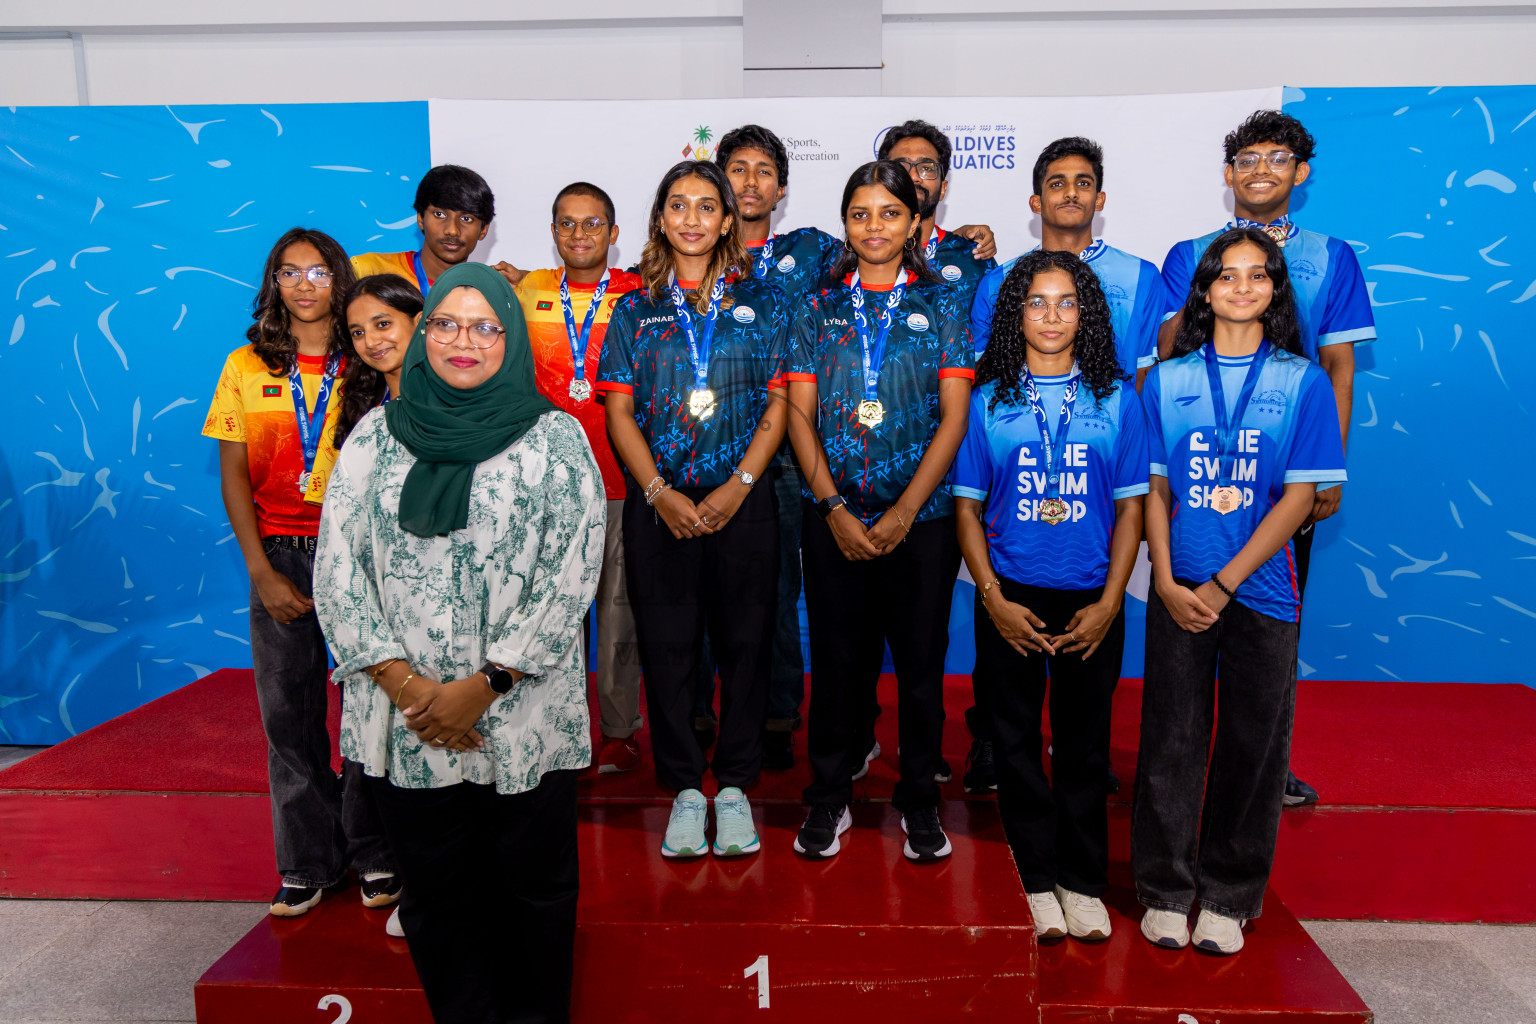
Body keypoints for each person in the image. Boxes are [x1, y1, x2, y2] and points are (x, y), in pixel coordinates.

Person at [314, 262, 603, 1023]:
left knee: (534, 891)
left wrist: (483, 686)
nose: (462, 341)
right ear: (423, 335)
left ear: (510, 339)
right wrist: (412, 689)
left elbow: (570, 575)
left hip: (522, 716)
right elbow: (339, 574)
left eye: (485, 326)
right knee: (438, 897)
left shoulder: (556, 439)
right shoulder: (375, 439)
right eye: (445, 323)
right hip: (405, 717)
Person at [1133, 228, 1345, 955]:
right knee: (1172, 738)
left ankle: (1229, 894)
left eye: (1260, 276)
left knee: (1253, 746)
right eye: (1228, 275)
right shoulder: (1165, 380)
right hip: (1179, 584)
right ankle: (1164, 886)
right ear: (1206, 289)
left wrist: (1225, 582)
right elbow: (1155, 490)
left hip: (1261, 593)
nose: (1243, 287)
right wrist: (1163, 576)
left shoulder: (1303, 381)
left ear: (1275, 291)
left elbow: (1299, 499)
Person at [1156, 110, 1374, 808]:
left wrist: (1326, 467)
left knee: (1273, 623)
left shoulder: (1332, 257)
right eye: (1247, 158)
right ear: (1228, 174)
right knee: (1187, 631)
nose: (1260, 169)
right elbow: (1164, 361)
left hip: (1285, 472)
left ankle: (1264, 770)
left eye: (1277, 158)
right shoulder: (1190, 255)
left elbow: (1338, 366)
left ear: (1300, 173)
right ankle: (1183, 771)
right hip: (1197, 468)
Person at [202, 228, 400, 916]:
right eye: (290, 273)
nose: (306, 285)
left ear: (339, 280)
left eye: (319, 272)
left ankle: (374, 851)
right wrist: (260, 571)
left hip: (360, 557)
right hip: (280, 554)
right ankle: (309, 862)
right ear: (273, 283)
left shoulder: (370, 361)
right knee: (289, 720)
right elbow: (232, 473)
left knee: (369, 715)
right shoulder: (244, 365)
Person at [952, 250, 1148, 939]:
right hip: (1011, 594)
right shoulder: (989, 400)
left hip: (1092, 596)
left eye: (1068, 302)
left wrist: (1111, 602)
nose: (1053, 315)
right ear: (1016, 314)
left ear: (1086, 315)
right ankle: (1035, 877)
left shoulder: (1119, 398)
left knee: (1085, 745)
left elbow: (1131, 512)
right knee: (1014, 742)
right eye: (1037, 301)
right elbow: (969, 510)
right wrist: (993, 597)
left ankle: (1081, 878)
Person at [596, 159, 789, 859]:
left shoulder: (765, 302)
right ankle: (682, 787)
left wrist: (738, 485)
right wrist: (659, 493)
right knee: (669, 650)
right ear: (659, 219)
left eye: (708, 206)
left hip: (747, 503)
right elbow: (619, 411)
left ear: (727, 219)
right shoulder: (635, 307)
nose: (693, 219)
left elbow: (779, 401)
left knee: (745, 647)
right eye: (678, 206)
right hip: (660, 508)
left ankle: (734, 786)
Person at [962, 136, 1166, 795]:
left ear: (1100, 200)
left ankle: (1085, 755)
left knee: (1087, 682)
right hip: (1017, 499)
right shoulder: (1004, 280)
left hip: (1099, 472)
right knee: (1005, 664)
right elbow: (990, 377)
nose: (1071, 192)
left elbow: (1144, 378)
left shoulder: (1139, 277)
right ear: (1035, 199)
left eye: (1084, 182)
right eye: (1057, 182)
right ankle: (993, 743)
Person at [784, 160, 973, 863]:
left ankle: (919, 799)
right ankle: (829, 794)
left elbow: (953, 420)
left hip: (921, 523)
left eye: (889, 213)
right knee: (836, 665)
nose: (874, 227)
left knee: (922, 668)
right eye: (860, 214)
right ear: (846, 224)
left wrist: (905, 512)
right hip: (831, 515)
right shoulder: (816, 308)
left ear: (915, 223)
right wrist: (832, 505)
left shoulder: (943, 306)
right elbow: (799, 417)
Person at [512, 181, 645, 774]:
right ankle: (557, 729)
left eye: (593, 224)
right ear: (553, 231)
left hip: (622, 483)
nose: (580, 234)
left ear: (614, 235)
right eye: (567, 223)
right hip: (546, 487)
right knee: (551, 617)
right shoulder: (526, 290)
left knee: (618, 617)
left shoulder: (642, 292)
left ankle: (619, 732)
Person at [877, 118, 999, 316]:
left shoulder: (974, 259)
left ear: (943, 189)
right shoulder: (863, 252)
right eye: (901, 167)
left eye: (926, 168)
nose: (914, 176)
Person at [351, 164, 495, 293]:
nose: (452, 230)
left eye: (466, 218)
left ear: (483, 230)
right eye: (439, 214)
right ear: (420, 219)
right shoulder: (367, 271)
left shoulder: (493, 291)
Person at [331, 274, 424, 444]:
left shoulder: (454, 400)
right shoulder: (355, 409)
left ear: (419, 322)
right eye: (358, 333)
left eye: (382, 324)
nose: (370, 342)